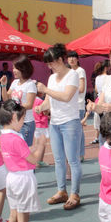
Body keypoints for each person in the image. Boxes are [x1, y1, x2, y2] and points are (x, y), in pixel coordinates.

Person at [0, 100, 48, 222]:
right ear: (13, 117)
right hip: (23, 180)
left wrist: (33, 146)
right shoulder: (16, 139)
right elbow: (33, 160)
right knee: (22, 219)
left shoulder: (4, 135)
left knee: (13, 215)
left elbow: (23, 153)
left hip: (12, 177)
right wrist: (41, 145)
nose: (24, 123)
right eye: (22, 119)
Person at [35, 43, 82, 210]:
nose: (50, 66)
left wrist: (46, 90)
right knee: (58, 160)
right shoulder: (51, 78)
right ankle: (61, 191)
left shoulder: (73, 75)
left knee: (73, 160)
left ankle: (74, 193)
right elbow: (49, 100)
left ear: (61, 59)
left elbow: (67, 96)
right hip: (54, 122)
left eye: (52, 62)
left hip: (70, 122)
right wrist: (42, 107)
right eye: (48, 64)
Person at [0, 55, 37, 146]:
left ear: (23, 69)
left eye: (16, 68)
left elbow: (29, 105)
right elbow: (6, 99)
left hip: (26, 123)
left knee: (24, 150)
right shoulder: (15, 82)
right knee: (16, 149)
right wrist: (3, 86)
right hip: (14, 122)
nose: (13, 70)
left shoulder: (30, 84)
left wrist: (14, 107)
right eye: (13, 68)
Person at [67, 51, 87, 162]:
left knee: (78, 130)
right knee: (73, 131)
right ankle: (76, 153)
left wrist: (67, 91)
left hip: (78, 105)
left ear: (77, 59)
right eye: (69, 57)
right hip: (69, 105)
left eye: (74, 57)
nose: (71, 59)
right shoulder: (69, 72)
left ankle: (80, 154)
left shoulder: (80, 71)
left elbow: (81, 89)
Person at [91, 59, 111, 145]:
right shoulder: (109, 77)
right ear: (106, 68)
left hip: (98, 101)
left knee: (100, 126)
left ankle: (101, 146)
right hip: (106, 102)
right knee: (108, 127)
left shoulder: (97, 78)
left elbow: (96, 89)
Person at [33, 94, 50, 167]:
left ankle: (36, 161)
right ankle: (39, 161)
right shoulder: (41, 101)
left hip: (35, 123)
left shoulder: (31, 99)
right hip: (42, 124)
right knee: (42, 144)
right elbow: (45, 112)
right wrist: (48, 111)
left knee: (36, 143)